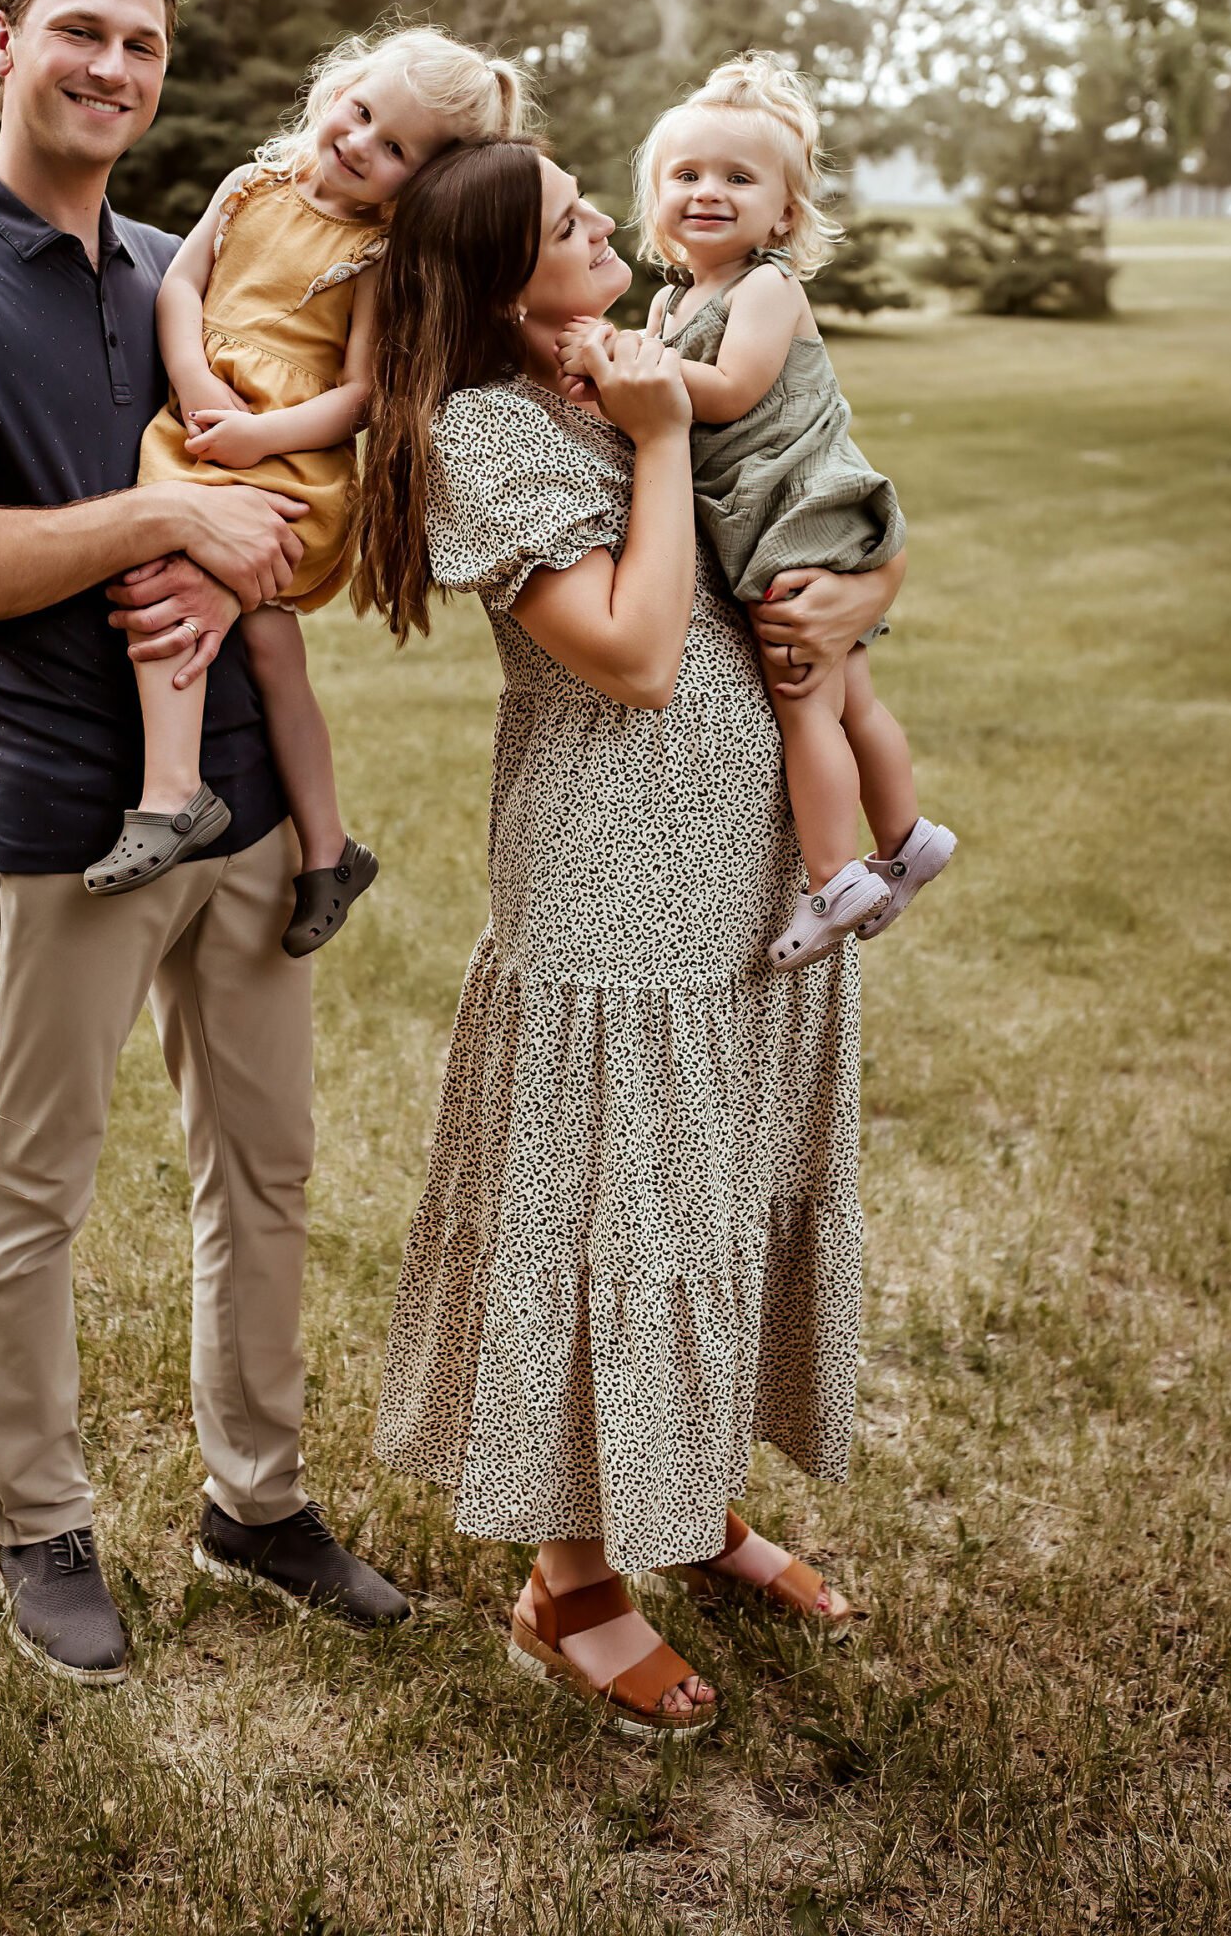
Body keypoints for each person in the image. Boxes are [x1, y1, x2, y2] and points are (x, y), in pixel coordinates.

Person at [0, 0, 409, 1691]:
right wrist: (165, 518)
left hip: (236, 807)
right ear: (2, 39)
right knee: (38, 1186)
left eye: (141, 44)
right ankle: (41, 1525)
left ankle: (256, 1503)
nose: (110, 66)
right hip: (60, 812)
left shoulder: (192, 258)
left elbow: (293, 493)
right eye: (80, 29)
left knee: (267, 1172)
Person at [354, 138, 903, 1736]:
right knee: (620, 1201)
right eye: (569, 224)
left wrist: (861, 602)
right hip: (613, 886)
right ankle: (571, 1583)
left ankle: (690, 1500)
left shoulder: (665, 359)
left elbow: (823, 520)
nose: (608, 226)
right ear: (499, 281)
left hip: (747, 866)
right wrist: (659, 442)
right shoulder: (490, 431)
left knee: (716, 1181)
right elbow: (637, 654)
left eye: (595, 206)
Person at [84, 26, 534, 960]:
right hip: (207, 425)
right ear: (337, 89)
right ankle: (327, 849)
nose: (361, 142)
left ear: (421, 182)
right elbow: (181, 288)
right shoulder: (249, 188)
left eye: (395, 149)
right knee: (266, 645)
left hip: (286, 459)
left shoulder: (374, 256)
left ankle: (172, 795)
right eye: (360, 112)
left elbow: (360, 396)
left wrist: (257, 432)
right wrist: (196, 381)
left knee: (168, 580)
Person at [561, 51, 956, 971]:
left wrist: (622, 360)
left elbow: (731, 391)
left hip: (798, 512)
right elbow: (654, 414)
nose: (707, 191)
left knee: (805, 699)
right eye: (684, 175)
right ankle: (906, 839)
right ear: (653, 195)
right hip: (764, 512)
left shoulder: (768, 287)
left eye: (738, 178)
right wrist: (616, 380)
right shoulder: (669, 300)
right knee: (850, 689)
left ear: (783, 212)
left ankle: (834, 879)